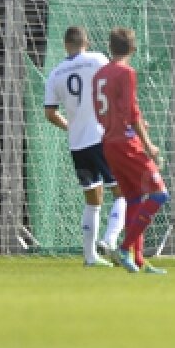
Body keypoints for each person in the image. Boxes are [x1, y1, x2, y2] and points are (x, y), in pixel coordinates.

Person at [43, 26, 126, 267]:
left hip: (78, 144)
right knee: (122, 191)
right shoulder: (98, 59)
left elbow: (50, 113)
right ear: (86, 42)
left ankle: (90, 257)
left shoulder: (55, 73)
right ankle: (109, 240)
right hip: (102, 137)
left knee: (93, 199)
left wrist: (70, 126)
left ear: (64, 44)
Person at [91, 27, 168, 274]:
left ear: (110, 47)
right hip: (127, 143)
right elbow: (132, 111)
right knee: (159, 194)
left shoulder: (99, 75)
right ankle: (124, 248)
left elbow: (102, 111)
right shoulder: (126, 72)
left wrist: (120, 126)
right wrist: (149, 144)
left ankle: (138, 260)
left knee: (134, 198)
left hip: (109, 143)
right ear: (133, 49)